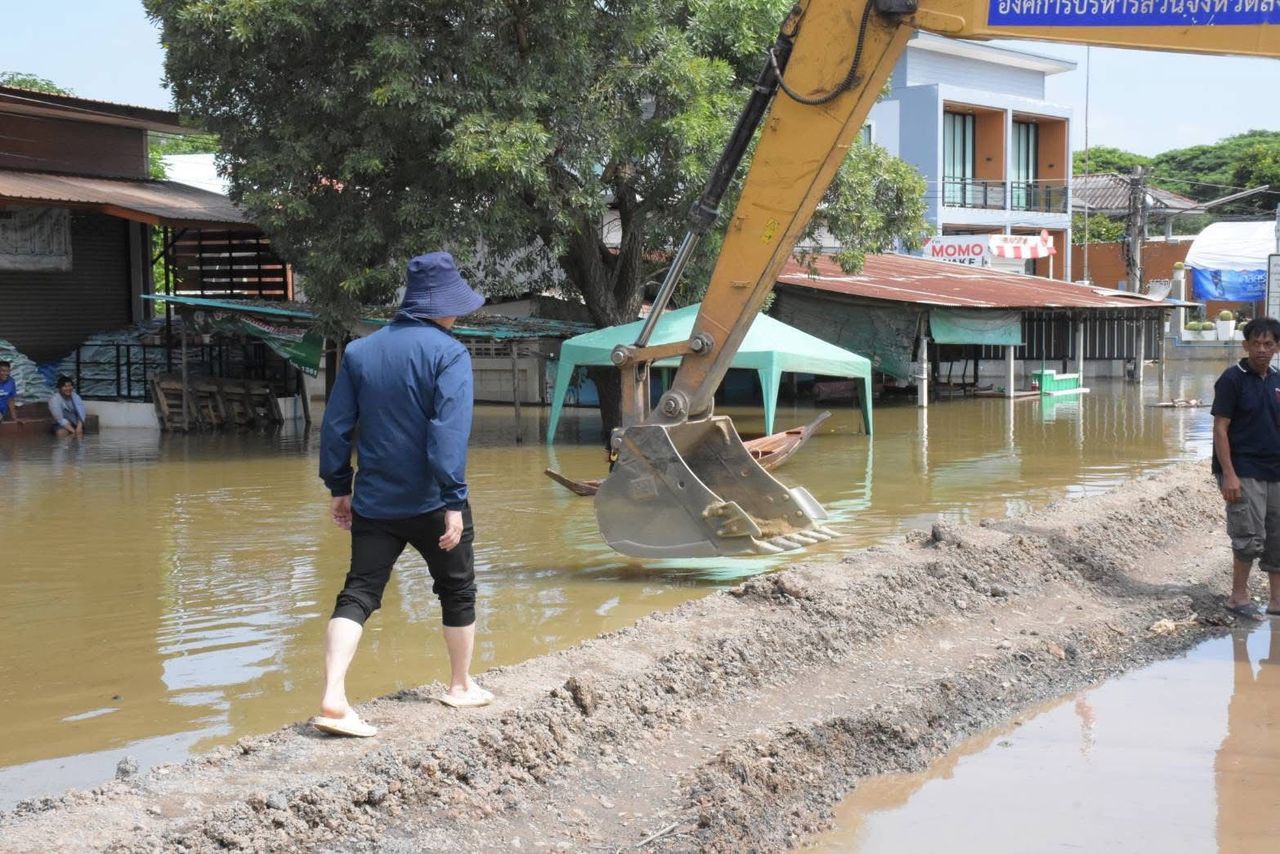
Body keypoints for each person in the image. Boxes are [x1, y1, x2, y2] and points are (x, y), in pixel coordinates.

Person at [313, 251, 489, 739]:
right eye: (455, 305)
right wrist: (453, 500)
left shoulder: (359, 353)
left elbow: (337, 427)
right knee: (456, 589)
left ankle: (333, 696)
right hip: (433, 502)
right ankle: (459, 685)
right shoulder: (449, 353)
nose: (458, 314)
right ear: (440, 306)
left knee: (359, 592)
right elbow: (447, 433)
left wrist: (338, 487)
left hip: (374, 500)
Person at [1211, 316, 1280, 620]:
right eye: (1256, 343)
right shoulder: (1232, 379)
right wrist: (1228, 473)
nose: (1262, 349)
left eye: (1268, 344)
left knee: (1277, 537)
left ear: (1277, 347)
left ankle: (1277, 602)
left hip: (1275, 470)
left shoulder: (1278, 380)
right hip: (1243, 469)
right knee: (1249, 536)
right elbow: (1220, 429)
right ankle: (1238, 598)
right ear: (1246, 345)